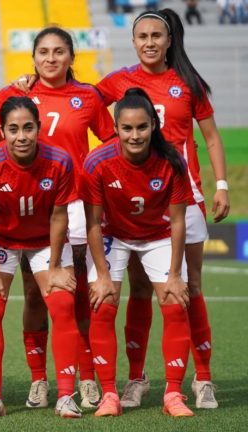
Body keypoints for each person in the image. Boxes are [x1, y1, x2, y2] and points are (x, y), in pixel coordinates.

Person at [95, 9, 228, 410]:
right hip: (137, 200)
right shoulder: (120, 79)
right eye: (142, 36)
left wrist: (221, 185)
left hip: (184, 199)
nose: (149, 42)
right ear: (133, 42)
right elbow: (84, 101)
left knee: (189, 288)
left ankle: (203, 379)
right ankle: (137, 379)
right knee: (138, 289)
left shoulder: (187, 83)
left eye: (157, 35)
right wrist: (110, 141)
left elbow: (212, 138)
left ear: (169, 40)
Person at [0, 27, 115, 410]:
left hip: (76, 207)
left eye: (59, 51)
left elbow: (111, 143)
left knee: (74, 294)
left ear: (71, 58)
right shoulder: (20, 96)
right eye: (43, 52)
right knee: (33, 294)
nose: (50, 58)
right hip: (32, 207)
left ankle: (87, 377)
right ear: (32, 59)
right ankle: (38, 380)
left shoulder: (87, 96)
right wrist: (13, 86)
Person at [82, 88, 193, 417]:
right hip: (113, 235)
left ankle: (173, 393)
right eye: (127, 128)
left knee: (175, 304)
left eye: (142, 127)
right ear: (115, 128)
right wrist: (102, 276)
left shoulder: (171, 161)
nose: (135, 135)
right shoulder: (97, 161)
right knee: (102, 304)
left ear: (154, 125)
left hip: (157, 235)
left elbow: (177, 222)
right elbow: (92, 224)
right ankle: (109, 395)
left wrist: (174, 275)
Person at [0, 96, 82, 419]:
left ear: (39, 128)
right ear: (2, 131)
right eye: (14, 129)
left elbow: (60, 216)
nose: (22, 136)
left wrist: (57, 264)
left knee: (62, 303)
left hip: (44, 240)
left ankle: (64, 395)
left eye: (28, 128)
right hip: (3, 240)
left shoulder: (59, 160)